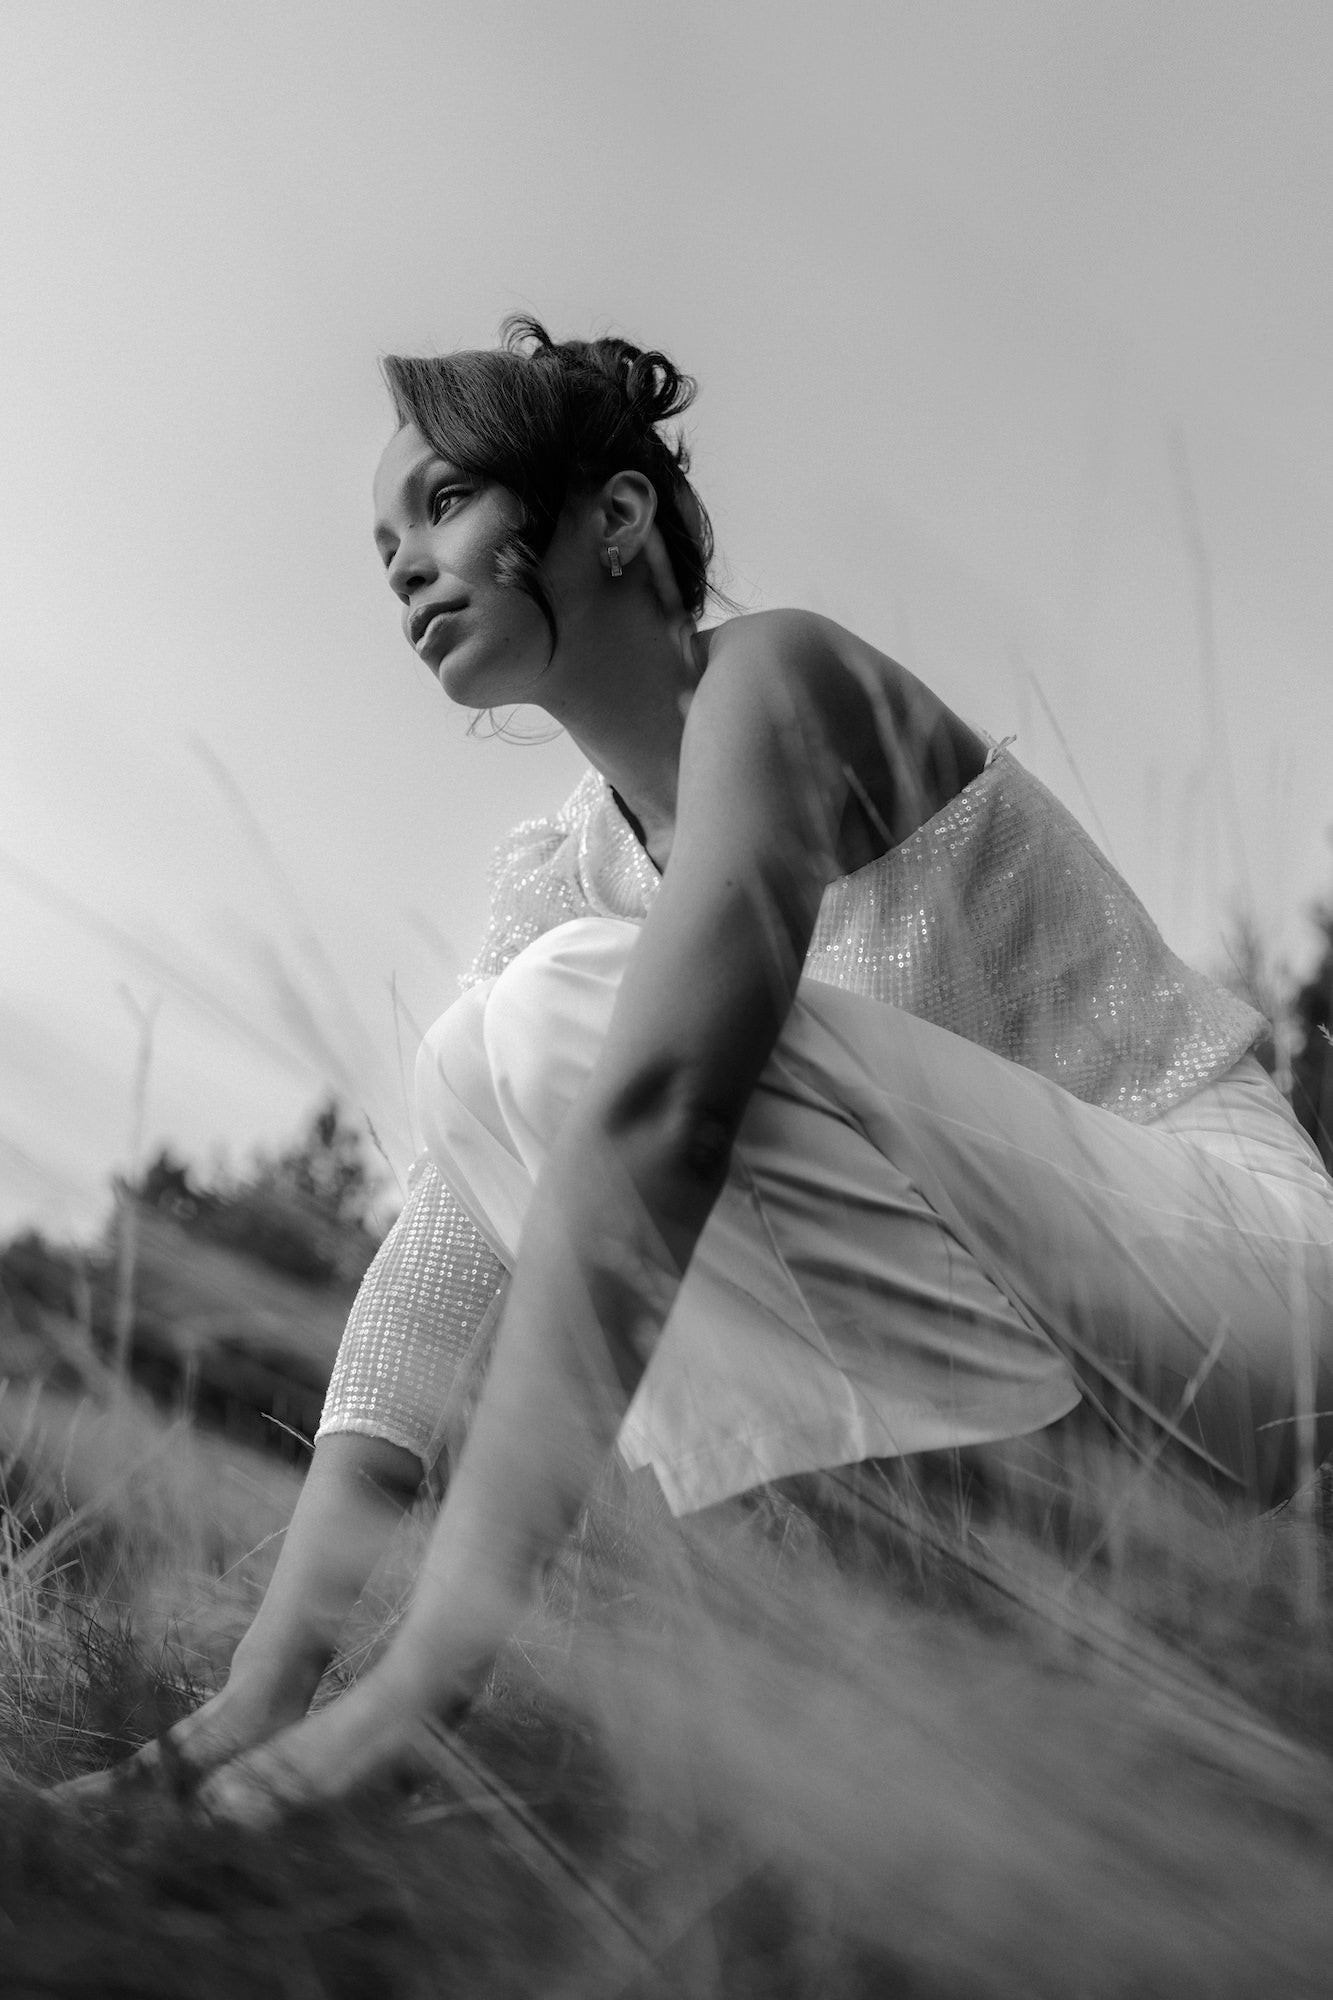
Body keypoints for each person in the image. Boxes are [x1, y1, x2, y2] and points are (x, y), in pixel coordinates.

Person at [72, 318, 1333, 1820]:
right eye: (381, 542)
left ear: (612, 515)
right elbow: (426, 1286)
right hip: (1080, 1369)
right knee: (476, 1055)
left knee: (561, 1022)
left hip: (1254, 1295)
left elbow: (662, 1114)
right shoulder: (561, 874)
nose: (404, 561)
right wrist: (254, 1702)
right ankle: (1014, 1655)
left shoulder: (786, 680)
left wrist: (422, 1676)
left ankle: (1013, 1606)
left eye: (444, 500)